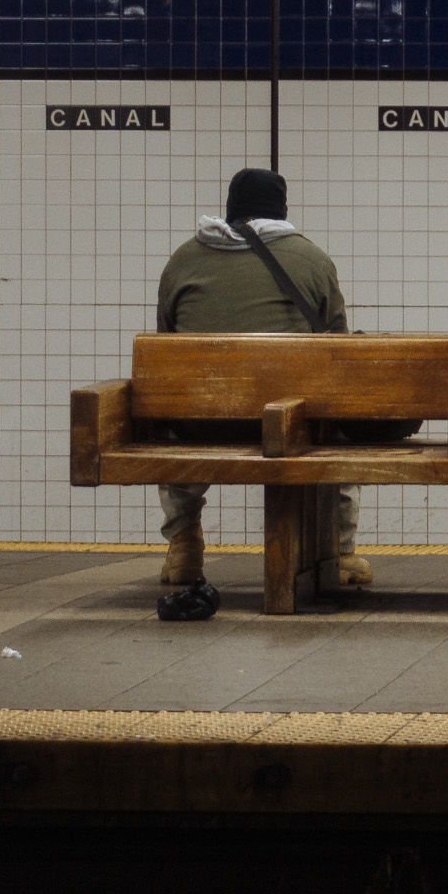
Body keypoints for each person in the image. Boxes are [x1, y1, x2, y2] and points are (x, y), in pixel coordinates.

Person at [152, 168, 367, 613]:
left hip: (202, 422)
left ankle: (185, 545)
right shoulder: (311, 259)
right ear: (281, 209)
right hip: (289, 428)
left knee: (173, 414)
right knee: (337, 425)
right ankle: (341, 553)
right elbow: (340, 348)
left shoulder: (183, 260)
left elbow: (166, 340)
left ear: (231, 208)